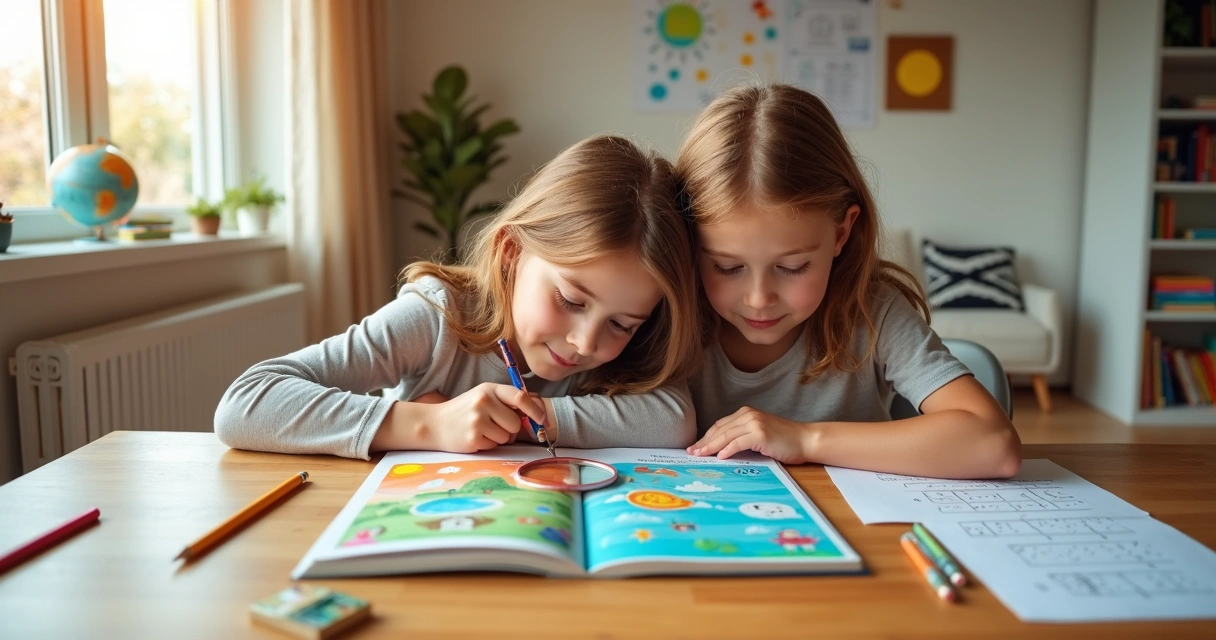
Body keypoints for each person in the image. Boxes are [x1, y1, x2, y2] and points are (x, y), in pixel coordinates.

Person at [215, 135, 703, 459]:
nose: (585, 342)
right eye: (571, 300)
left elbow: (672, 421)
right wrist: (428, 425)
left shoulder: (623, 350)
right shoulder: (439, 314)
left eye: (622, 323)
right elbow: (246, 404)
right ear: (512, 252)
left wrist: (519, 422)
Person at [674, 84, 1021, 478]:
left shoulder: (874, 311)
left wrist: (804, 440)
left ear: (842, 232)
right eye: (727, 267)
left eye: (792, 267)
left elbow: (994, 444)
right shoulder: (670, 314)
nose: (758, 299)